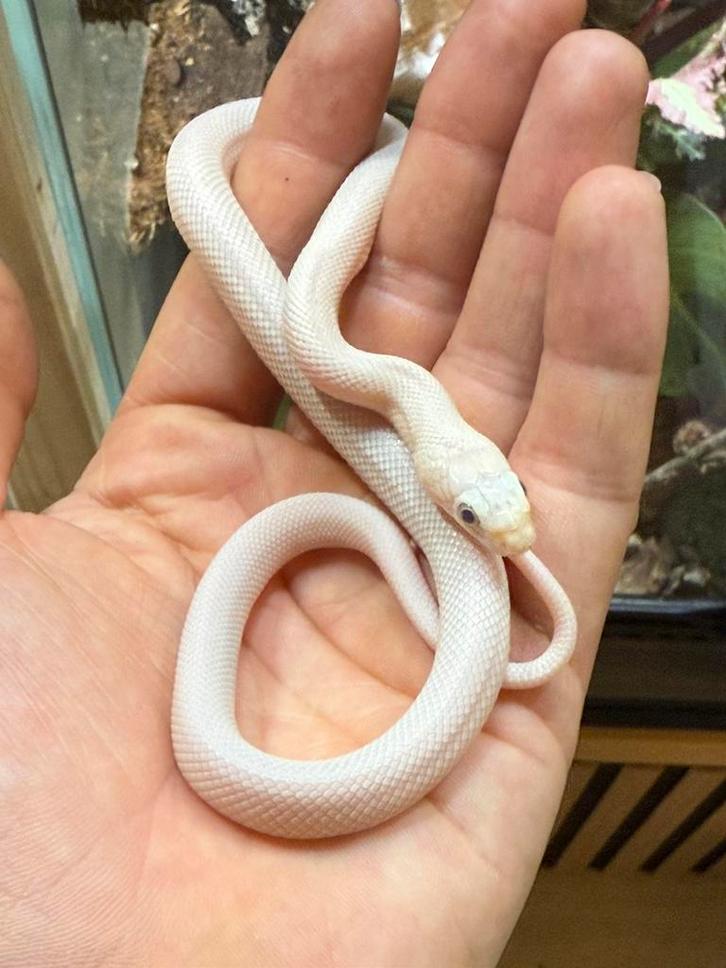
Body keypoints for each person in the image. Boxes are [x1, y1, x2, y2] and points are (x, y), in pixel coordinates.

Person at [0, 0, 668, 964]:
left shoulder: (400, 402)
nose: (491, 536)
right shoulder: (367, 373)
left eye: (477, 513)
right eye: (473, 516)